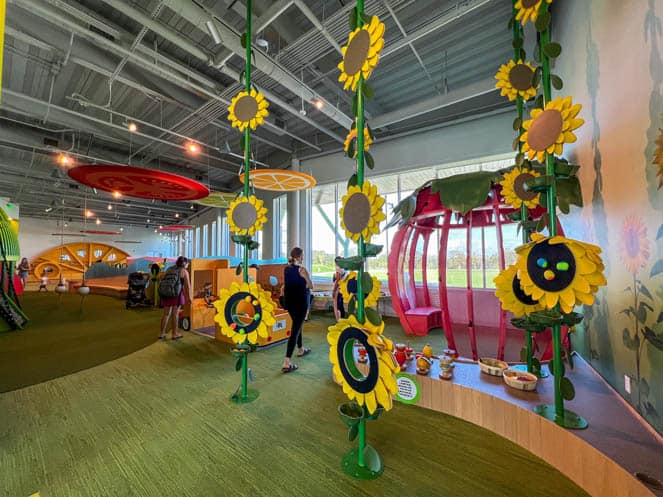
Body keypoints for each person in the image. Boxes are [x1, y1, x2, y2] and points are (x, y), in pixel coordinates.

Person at [281, 247, 313, 373]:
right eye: (302, 255)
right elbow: (311, 286)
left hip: (290, 304)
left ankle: (300, 349)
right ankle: (286, 362)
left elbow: (287, 285)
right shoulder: (302, 270)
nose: (303, 258)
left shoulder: (286, 269)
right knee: (295, 331)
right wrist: (306, 277)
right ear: (299, 257)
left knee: (297, 325)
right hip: (300, 304)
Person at [158, 256, 192, 340]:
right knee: (175, 314)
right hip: (176, 294)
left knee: (166, 314)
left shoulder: (170, 269)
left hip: (166, 293)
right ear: (185, 263)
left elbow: (162, 279)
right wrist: (189, 298)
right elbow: (187, 286)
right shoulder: (184, 271)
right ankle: (175, 334)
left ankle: (162, 333)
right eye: (187, 263)